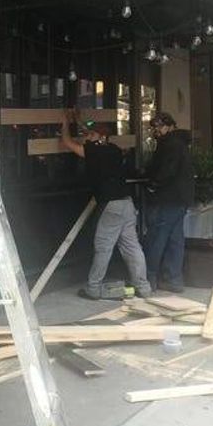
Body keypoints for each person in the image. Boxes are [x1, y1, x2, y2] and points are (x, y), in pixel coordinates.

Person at [60, 110, 152, 299]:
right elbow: (90, 134)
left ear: (100, 137)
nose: (87, 137)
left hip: (112, 206)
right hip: (127, 203)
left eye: (91, 135)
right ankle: (143, 287)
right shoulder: (114, 150)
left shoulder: (94, 151)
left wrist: (64, 124)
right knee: (132, 247)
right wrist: (78, 120)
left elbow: (68, 143)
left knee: (103, 246)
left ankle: (93, 288)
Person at [142, 112, 194, 294]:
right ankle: (173, 278)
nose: (157, 130)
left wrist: (153, 184)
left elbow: (166, 171)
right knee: (175, 239)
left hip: (167, 197)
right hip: (180, 198)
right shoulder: (181, 143)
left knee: (157, 236)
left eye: (159, 126)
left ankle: (149, 277)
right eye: (155, 127)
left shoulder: (170, 145)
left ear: (170, 126)